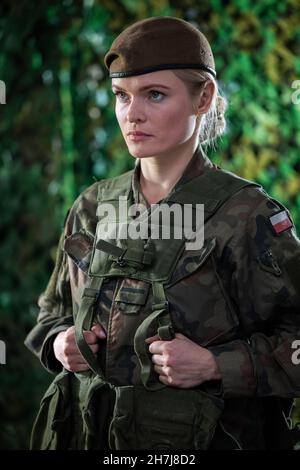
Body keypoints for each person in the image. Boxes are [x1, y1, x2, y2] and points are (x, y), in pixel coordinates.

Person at [25, 16, 300, 450]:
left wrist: (214, 364)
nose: (132, 114)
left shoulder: (246, 215)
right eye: (121, 96)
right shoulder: (94, 206)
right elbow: (50, 315)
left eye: (155, 95)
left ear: (203, 97)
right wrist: (59, 343)